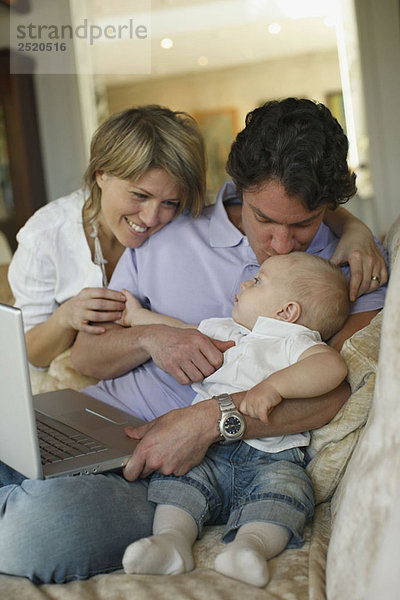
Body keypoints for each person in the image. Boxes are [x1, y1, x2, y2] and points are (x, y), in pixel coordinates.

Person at [0, 98, 388, 584]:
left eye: (304, 224)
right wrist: (152, 339)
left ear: (329, 209)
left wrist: (209, 420)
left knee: (33, 535)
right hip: (93, 418)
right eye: (264, 219)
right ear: (238, 188)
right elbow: (86, 356)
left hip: (178, 467)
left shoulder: (348, 272)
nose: (283, 244)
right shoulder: (170, 229)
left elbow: (333, 391)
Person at [118, 252, 349, 587]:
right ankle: (172, 542)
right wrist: (138, 315)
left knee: (288, 493)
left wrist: (274, 386)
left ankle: (248, 548)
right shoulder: (227, 330)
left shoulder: (293, 341)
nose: (245, 282)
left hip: (272, 460)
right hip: (207, 452)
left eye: (258, 281)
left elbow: (332, 368)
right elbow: (182, 331)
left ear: (287, 312)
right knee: (180, 483)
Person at [7, 105, 210, 368]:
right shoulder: (45, 236)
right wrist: (65, 317)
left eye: (170, 202)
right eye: (139, 195)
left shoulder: (189, 224)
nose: (150, 218)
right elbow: (31, 356)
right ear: (101, 173)